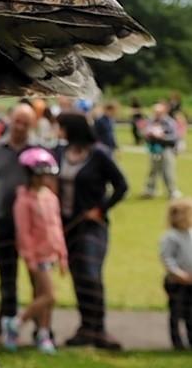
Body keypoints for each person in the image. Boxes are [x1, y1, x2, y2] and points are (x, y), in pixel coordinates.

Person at [52, 111, 128, 349]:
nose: (58, 131)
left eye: (61, 126)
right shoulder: (60, 152)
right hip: (68, 225)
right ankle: (86, 327)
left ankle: (99, 329)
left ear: (72, 128)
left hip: (92, 226)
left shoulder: (99, 154)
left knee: (90, 273)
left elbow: (121, 185)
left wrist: (101, 209)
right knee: (78, 276)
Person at [3, 147, 67, 355]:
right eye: (40, 175)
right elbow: (24, 233)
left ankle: (43, 333)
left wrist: (62, 254)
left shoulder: (50, 198)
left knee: (41, 297)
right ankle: (16, 323)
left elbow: (57, 227)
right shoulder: (23, 200)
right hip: (37, 256)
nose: (44, 179)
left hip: (50, 253)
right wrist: (29, 257)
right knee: (50, 296)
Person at [0, 102, 36, 342]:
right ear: (11, 119)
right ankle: (5, 328)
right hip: (4, 222)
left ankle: (40, 328)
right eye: (18, 121)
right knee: (7, 279)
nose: (20, 127)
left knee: (37, 278)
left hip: (32, 225)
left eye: (26, 123)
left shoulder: (37, 151)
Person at [162, 197, 192, 349]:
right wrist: (177, 273)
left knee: (191, 312)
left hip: (191, 281)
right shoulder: (171, 237)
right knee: (176, 312)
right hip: (176, 282)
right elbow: (167, 257)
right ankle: (177, 341)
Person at [142, 102, 183, 198]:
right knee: (153, 170)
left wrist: (163, 137)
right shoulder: (150, 120)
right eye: (155, 112)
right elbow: (144, 133)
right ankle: (150, 190)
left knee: (168, 171)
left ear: (164, 112)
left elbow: (175, 136)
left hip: (166, 148)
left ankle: (172, 191)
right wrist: (148, 135)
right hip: (153, 149)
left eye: (159, 112)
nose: (157, 114)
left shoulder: (169, 122)